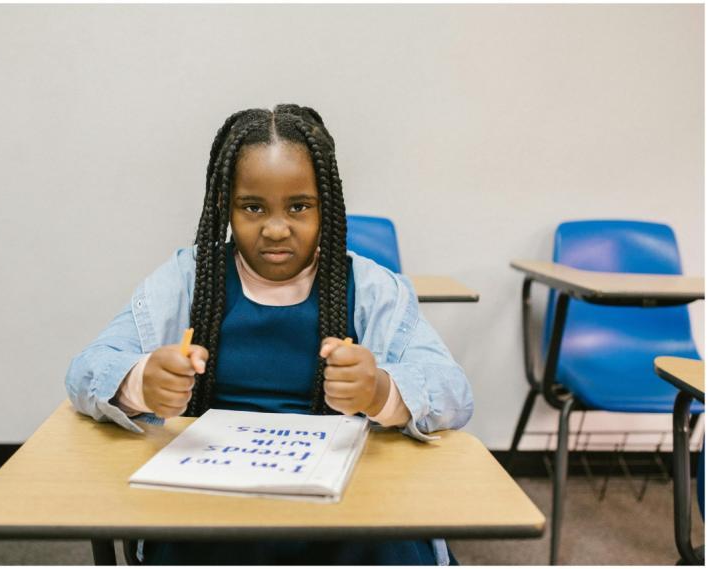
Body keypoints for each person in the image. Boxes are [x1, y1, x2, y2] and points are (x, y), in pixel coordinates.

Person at [65, 104, 474, 565]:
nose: (276, 228)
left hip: (346, 503)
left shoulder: (373, 289)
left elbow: (454, 391)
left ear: (328, 207)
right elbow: (87, 369)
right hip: (207, 503)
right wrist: (139, 381)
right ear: (226, 206)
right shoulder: (186, 279)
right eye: (253, 207)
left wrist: (381, 390)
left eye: (299, 207)